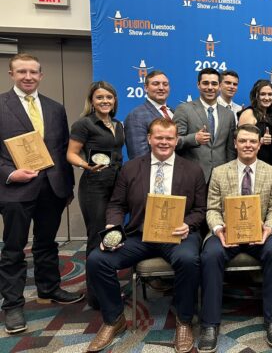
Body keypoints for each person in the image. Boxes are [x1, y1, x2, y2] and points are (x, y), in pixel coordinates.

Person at [86, 118, 206, 353]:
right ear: (149, 139)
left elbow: (200, 210)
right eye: (159, 137)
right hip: (139, 235)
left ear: (176, 140)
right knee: (97, 260)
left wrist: (187, 224)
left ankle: (183, 320)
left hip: (177, 235)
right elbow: (117, 205)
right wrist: (113, 227)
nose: (164, 142)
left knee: (189, 260)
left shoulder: (192, 170)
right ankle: (114, 320)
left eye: (169, 138)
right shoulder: (131, 168)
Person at [0, 53, 81, 334]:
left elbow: (61, 150)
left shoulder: (55, 108)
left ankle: (49, 288)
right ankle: (12, 305)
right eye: (21, 72)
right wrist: (10, 174)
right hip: (15, 190)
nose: (28, 77)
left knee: (47, 243)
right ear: (11, 74)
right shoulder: (0, 105)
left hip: (52, 189)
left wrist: (67, 187)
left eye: (33, 72)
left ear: (41, 75)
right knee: (13, 249)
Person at [198, 124, 272, 352]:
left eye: (252, 141)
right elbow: (212, 209)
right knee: (210, 255)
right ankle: (209, 324)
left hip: (260, 233)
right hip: (227, 233)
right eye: (243, 141)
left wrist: (269, 228)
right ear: (235, 144)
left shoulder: (271, 171)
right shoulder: (219, 171)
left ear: (259, 144)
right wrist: (218, 229)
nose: (248, 145)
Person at [66, 81, 124, 309]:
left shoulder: (118, 124)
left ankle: (109, 285)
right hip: (94, 187)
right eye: (100, 98)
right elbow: (70, 154)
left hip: (116, 185)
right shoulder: (84, 124)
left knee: (113, 236)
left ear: (114, 101)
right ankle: (96, 296)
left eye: (109, 97)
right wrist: (85, 165)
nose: (105, 101)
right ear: (92, 101)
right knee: (96, 238)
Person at [173, 67, 236, 182]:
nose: (210, 88)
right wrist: (194, 138)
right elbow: (174, 141)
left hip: (221, 177)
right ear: (198, 85)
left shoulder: (229, 114)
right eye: (205, 83)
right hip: (192, 176)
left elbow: (230, 149)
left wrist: (230, 173)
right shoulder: (184, 109)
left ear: (220, 86)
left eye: (214, 84)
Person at [124, 70, 173, 159]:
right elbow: (139, 157)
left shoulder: (174, 112)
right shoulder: (136, 116)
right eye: (156, 84)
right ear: (146, 88)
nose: (161, 88)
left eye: (165, 84)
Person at [238, 79, 272, 165]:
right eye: (263, 94)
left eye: (270, 94)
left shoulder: (270, 115)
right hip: (249, 163)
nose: (267, 98)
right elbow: (241, 140)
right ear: (256, 96)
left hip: (267, 163)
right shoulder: (248, 113)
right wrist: (261, 141)